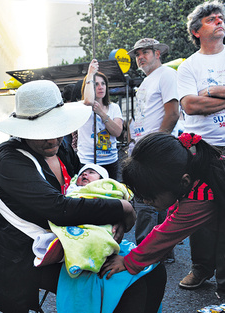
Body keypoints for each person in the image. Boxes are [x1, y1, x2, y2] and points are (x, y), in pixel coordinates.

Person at [0, 80, 165, 313]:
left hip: (73, 237)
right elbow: (59, 208)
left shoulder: (60, 147)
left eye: (57, 130)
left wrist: (116, 214)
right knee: (125, 284)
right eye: (43, 133)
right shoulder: (10, 162)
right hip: (31, 255)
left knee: (153, 269)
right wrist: (123, 209)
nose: (53, 139)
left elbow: (88, 188)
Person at [100, 132, 225, 300]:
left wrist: (129, 261)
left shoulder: (200, 198)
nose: (146, 200)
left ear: (184, 182)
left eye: (151, 196)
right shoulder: (193, 176)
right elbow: (172, 218)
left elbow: (165, 234)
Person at [176, 1, 225, 295]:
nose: (219, 21)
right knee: (201, 212)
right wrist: (202, 97)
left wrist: (209, 91)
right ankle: (202, 268)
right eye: (210, 19)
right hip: (201, 151)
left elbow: (200, 100)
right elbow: (191, 106)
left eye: (220, 17)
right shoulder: (189, 66)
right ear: (197, 31)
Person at [127, 38, 180, 251]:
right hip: (143, 148)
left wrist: (156, 144)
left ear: (158, 53)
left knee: (146, 202)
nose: (140, 57)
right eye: (137, 54)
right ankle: (158, 252)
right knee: (155, 202)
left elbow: (173, 113)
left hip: (155, 149)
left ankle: (146, 252)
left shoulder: (166, 74)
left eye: (145, 52)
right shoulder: (147, 81)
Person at [78, 59, 123, 180]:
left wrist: (102, 114)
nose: (100, 87)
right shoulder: (82, 107)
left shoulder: (114, 107)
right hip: (87, 160)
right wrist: (90, 74)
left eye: (103, 84)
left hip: (109, 160)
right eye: (96, 84)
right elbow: (88, 101)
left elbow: (117, 132)